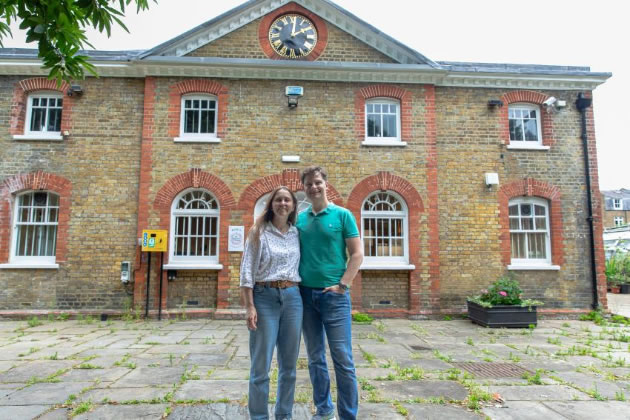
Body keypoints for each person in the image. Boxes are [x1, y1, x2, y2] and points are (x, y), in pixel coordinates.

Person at [297, 166, 363, 420]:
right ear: (304, 188)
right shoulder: (301, 218)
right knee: (315, 358)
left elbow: (356, 254)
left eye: (317, 182)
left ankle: (347, 415)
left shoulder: (342, 215)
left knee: (343, 359)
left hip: (333, 297)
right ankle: (324, 410)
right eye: (308, 184)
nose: (313, 187)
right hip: (305, 295)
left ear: (326, 184)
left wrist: (343, 285)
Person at [240, 186, 303, 420]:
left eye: (287, 199)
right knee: (261, 365)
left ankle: (284, 414)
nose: (283, 203)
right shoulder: (258, 231)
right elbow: (246, 271)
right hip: (264, 297)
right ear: (271, 204)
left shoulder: (297, 233)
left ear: (293, 205)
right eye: (278, 199)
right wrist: (249, 306)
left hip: (293, 298)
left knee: (289, 366)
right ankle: (258, 416)